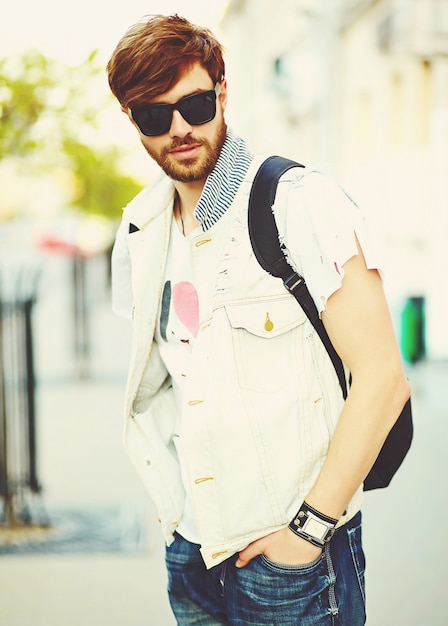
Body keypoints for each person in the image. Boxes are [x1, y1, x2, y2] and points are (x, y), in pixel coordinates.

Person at [106, 14, 410, 625]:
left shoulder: (299, 202)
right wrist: (175, 523)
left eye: (193, 103)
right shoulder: (142, 231)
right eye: (154, 116)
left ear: (222, 92)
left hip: (292, 556)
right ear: (132, 122)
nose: (181, 129)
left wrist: (308, 533)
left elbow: (383, 379)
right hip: (191, 550)